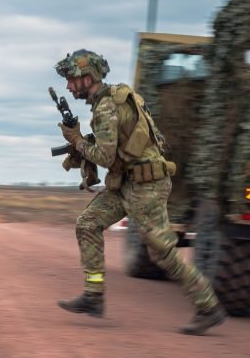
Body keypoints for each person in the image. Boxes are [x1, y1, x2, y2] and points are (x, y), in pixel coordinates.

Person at [54, 48, 227, 335]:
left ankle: (209, 307)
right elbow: (115, 150)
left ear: (88, 77)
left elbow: (106, 157)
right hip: (127, 183)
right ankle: (93, 296)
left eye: (72, 79)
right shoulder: (112, 99)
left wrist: (77, 141)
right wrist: (83, 142)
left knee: (162, 252)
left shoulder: (106, 108)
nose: (69, 86)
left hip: (146, 185)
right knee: (87, 223)